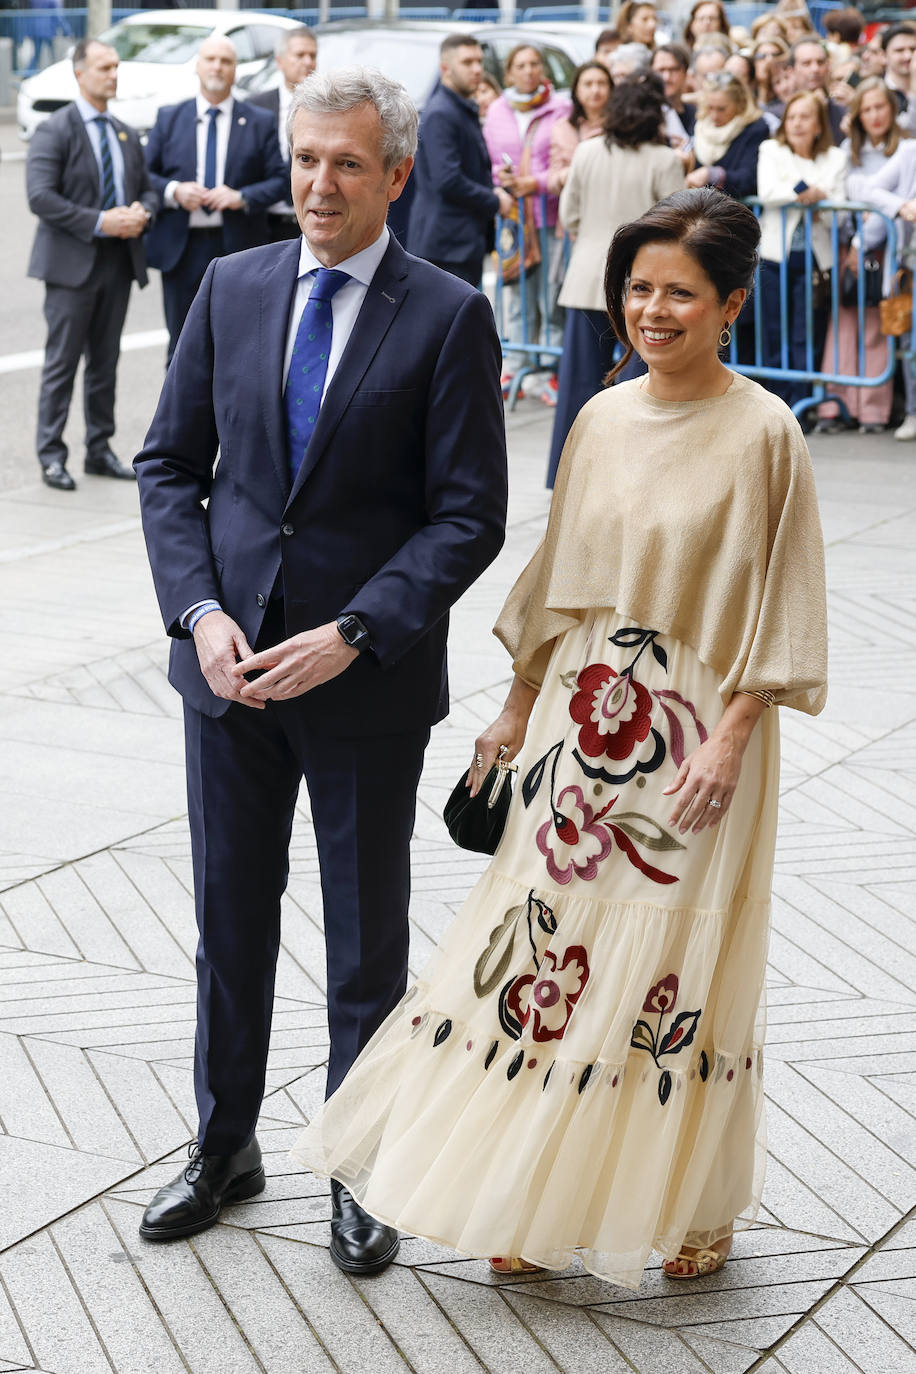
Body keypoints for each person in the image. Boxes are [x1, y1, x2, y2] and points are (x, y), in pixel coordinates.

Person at [291, 186, 827, 1289]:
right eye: (637, 288)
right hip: (585, 721)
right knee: (543, 954)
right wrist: (515, 706)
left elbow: (780, 606)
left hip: (696, 733)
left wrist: (730, 738)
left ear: (730, 302)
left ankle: (689, 1202)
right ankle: (534, 1199)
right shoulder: (596, 416)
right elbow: (557, 585)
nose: (652, 310)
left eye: (680, 292)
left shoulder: (767, 432)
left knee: (675, 963)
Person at [133, 67, 508, 1273]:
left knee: (365, 939)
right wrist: (198, 614)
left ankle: (359, 1164)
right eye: (304, 159)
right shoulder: (232, 287)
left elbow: (467, 516)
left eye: (346, 163)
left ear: (396, 175)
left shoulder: (446, 312)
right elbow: (168, 467)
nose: (317, 184)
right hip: (228, 676)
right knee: (227, 924)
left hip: (361, 680)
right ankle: (223, 1144)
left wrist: (355, 630)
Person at [26, 37, 157, 492]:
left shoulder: (124, 131)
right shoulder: (55, 129)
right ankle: (51, 455)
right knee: (62, 363)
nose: (113, 74)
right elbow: (40, 197)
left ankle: (99, 449)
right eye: (104, 67)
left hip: (118, 264)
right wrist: (102, 221)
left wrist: (143, 211)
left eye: (116, 67)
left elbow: (146, 187)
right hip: (71, 266)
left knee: (105, 363)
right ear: (79, 73)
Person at [545, 77, 684, 487]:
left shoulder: (586, 153)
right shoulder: (664, 160)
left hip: (588, 277)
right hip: (640, 286)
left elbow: (568, 215)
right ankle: (630, 473)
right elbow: (678, 227)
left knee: (576, 387)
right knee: (640, 384)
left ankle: (566, 473)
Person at [144, 36, 287, 364]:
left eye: (226, 61)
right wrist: (174, 191)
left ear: (236, 70)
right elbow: (144, 176)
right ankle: (180, 415)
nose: (217, 67)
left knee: (238, 346)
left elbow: (281, 181)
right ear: (197, 65)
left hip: (237, 247)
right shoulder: (170, 118)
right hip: (183, 250)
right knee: (181, 349)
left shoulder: (258, 121)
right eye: (210, 59)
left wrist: (242, 196)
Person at [816, 78, 905, 434]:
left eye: (879, 107)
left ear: (892, 110)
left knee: (875, 330)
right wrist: (852, 239)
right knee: (842, 328)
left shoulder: (903, 151)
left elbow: (887, 208)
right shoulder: (848, 153)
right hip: (847, 246)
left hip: (882, 249)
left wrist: (861, 242)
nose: (874, 115)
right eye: (866, 109)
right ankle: (834, 406)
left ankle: (872, 410)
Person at [483, 44, 571, 397]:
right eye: (521, 65)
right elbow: (486, 159)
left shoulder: (560, 107)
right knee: (516, 289)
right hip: (513, 219)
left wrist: (534, 181)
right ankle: (517, 363)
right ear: (510, 73)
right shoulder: (497, 111)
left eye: (535, 64)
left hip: (548, 213)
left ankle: (550, 366)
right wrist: (499, 176)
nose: (529, 70)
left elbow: (565, 155)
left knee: (549, 292)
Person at [757, 90, 848, 412]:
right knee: (773, 328)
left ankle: (801, 402)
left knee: (805, 331)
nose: (796, 123)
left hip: (815, 256)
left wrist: (810, 195)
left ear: (819, 124)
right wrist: (808, 192)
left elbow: (840, 207)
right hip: (774, 256)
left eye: (805, 117)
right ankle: (777, 403)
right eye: (791, 117)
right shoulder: (771, 149)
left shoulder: (836, 157)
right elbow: (767, 192)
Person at [408, 33, 512, 286]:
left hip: (458, 244)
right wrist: (494, 200)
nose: (477, 69)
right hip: (445, 248)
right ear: (446, 68)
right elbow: (448, 180)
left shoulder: (459, 107)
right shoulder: (441, 113)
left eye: (479, 61)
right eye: (467, 62)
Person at [849, 125, 916, 437]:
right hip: (908, 268)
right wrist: (900, 206)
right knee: (909, 342)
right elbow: (866, 189)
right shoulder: (908, 153)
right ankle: (914, 413)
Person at [247, 27, 318, 243]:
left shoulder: (326, 111)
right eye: (299, 55)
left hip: (310, 223)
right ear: (280, 61)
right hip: (262, 223)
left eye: (312, 56)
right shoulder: (254, 107)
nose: (307, 62)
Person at [687, 72, 770, 198]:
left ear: (740, 104)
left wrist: (713, 175)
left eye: (721, 109)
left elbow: (749, 179)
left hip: (734, 211)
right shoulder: (699, 124)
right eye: (710, 107)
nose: (714, 115)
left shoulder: (755, 128)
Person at [547, 61, 612, 195]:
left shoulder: (622, 125)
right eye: (588, 84)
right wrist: (564, 176)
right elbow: (552, 182)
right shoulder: (563, 128)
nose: (595, 90)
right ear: (576, 90)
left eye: (601, 83)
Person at [789, 38, 846, 143]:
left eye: (820, 62)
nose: (815, 69)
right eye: (806, 63)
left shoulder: (843, 113)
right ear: (791, 71)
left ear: (828, 66)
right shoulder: (778, 115)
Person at [653, 43, 697, 137]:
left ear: (685, 73)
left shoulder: (695, 114)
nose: (666, 77)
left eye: (673, 69)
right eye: (661, 70)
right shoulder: (645, 115)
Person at [880, 23, 916, 112]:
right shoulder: (877, 92)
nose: (908, 56)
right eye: (899, 50)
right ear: (883, 56)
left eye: (913, 49)